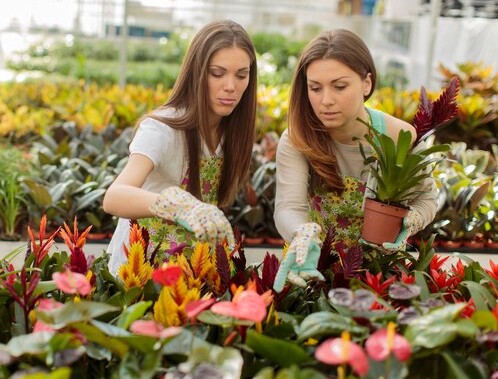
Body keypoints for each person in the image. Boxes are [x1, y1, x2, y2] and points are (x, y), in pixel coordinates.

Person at [273, 29, 437, 288]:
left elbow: (426, 199)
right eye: (315, 88)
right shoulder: (298, 138)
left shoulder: (399, 137)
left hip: (380, 277)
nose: (326, 100)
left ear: (367, 83)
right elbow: (288, 207)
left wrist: (411, 221)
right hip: (313, 270)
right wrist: (302, 233)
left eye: (340, 86)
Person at [103, 20, 258, 274]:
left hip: (190, 271)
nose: (231, 86)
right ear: (197, 72)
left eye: (241, 75)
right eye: (217, 73)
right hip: (140, 273)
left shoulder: (233, 131)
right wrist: (178, 205)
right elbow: (115, 197)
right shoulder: (162, 128)